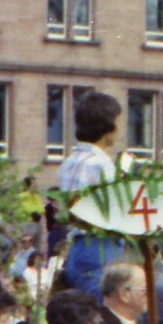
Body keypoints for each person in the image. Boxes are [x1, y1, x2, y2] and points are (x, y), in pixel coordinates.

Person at [57, 89, 127, 299]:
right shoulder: (101, 163)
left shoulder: (70, 161)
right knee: (107, 314)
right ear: (108, 127)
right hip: (100, 247)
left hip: (78, 247)